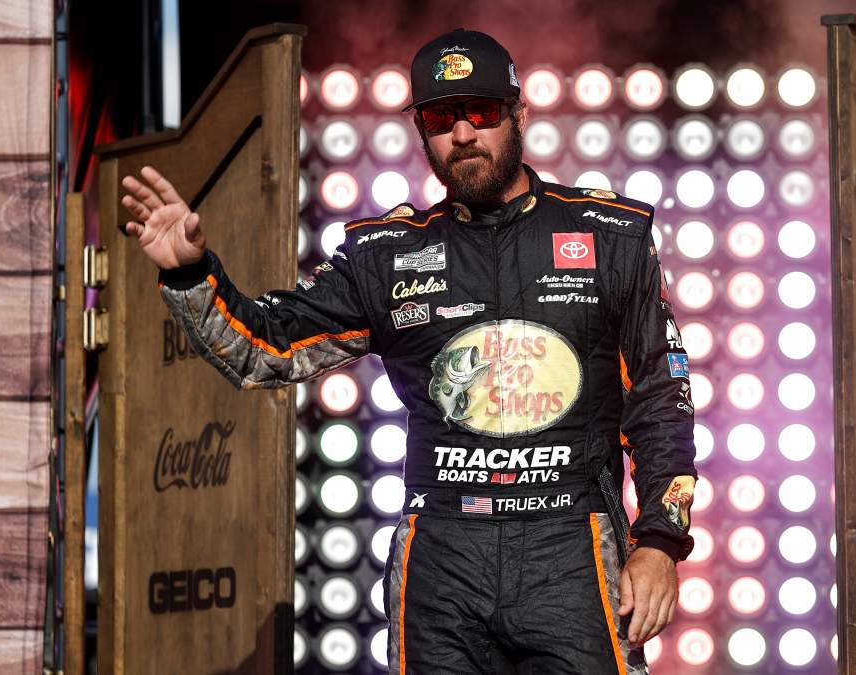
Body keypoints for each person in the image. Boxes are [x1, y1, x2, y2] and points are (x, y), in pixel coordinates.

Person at [122, 28, 696, 675]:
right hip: (441, 555)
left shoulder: (611, 236)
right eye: (440, 118)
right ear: (421, 132)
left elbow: (661, 399)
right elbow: (265, 347)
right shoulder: (388, 255)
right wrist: (190, 274)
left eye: (481, 111)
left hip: (573, 545)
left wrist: (659, 540)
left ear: (519, 114)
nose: (463, 134)